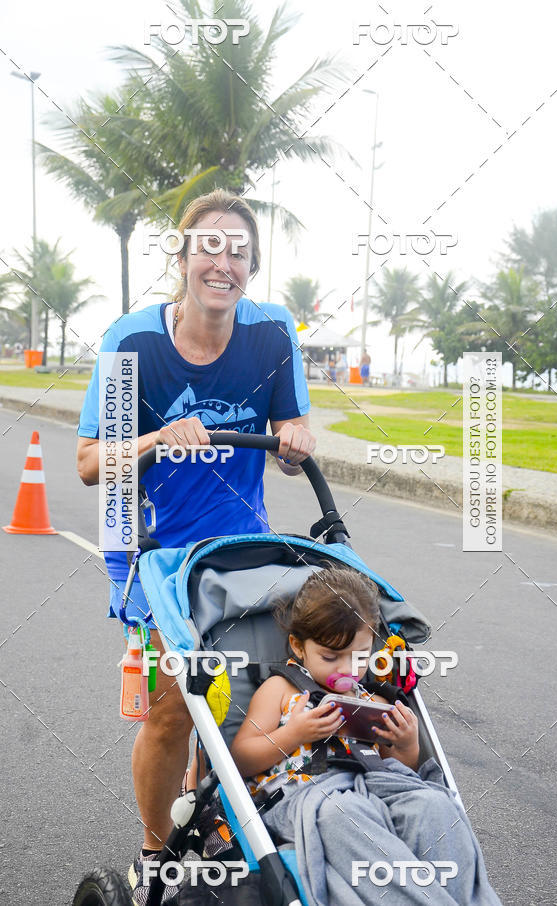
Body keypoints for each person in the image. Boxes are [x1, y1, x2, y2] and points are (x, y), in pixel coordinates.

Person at [76, 189, 316, 904]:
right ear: (181, 260)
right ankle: (157, 855)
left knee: (240, 696)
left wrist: (298, 445)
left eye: (238, 251)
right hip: (150, 549)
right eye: (208, 247)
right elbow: (91, 463)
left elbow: (290, 436)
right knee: (178, 707)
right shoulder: (134, 343)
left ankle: (199, 815)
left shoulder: (272, 335)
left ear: (251, 268)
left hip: (240, 548)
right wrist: (155, 438)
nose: (223, 262)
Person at [231, 567, 502, 906]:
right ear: (298, 647)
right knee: (341, 811)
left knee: (432, 804)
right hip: (304, 798)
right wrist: (293, 734)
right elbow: (240, 758)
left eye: (359, 657)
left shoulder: (371, 700)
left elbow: (396, 773)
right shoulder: (281, 690)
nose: (346, 669)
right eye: (330, 657)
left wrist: (406, 744)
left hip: (370, 791)